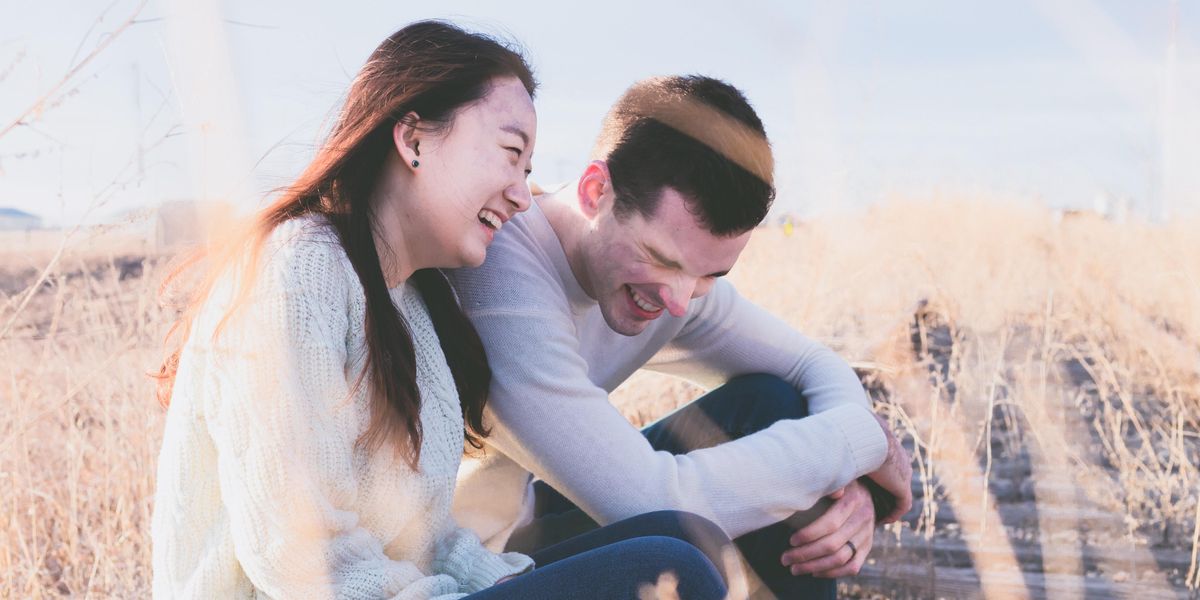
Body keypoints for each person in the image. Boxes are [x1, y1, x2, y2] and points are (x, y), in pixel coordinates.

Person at [151, 22, 729, 599]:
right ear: (414, 139)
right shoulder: (299, 271)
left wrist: (514, 582)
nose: (522, 194)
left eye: (528, 172)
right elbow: (299, 555)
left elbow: (425, 537)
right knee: (671, 566)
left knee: (686, 536)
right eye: (509, 154)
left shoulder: (411, 302)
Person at [447, 75, 914, 598]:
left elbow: (812, 364)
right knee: (679, 553)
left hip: (532, 520)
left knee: (773, 401)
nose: (678, 299)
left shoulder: (678, 283)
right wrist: (861, 444)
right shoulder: (500, 271)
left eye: (711, 275)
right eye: (662, 259)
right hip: (464, 569)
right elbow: (650, 502)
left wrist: (847, 484)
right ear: (595, 191)